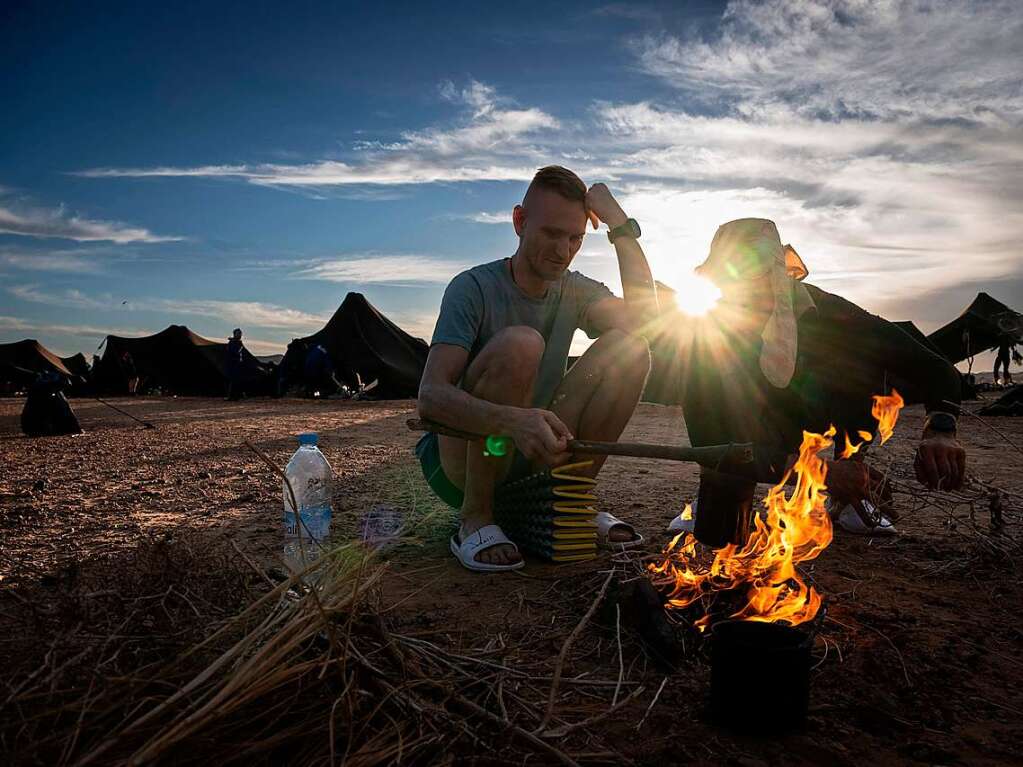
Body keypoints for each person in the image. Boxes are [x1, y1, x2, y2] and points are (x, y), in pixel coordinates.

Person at [417, 166, 662, 572]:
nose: (563, 250)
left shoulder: (576, 288)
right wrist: (512, 421)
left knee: (631, 348)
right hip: (469, 457)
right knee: (521, 344)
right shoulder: (473, 288)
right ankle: (476, 517)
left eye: (575, 238)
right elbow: (431, 398)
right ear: (519, 222)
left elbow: (647, 322)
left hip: (535, 447)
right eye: (551, 234)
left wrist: (620, 225)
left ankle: (569, 500)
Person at [671, 218, 967, 540]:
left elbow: (933, 366)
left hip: (816, 415)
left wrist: (941, 428)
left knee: (857, 363)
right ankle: (717, 494)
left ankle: (850, 496)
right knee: (722, 525)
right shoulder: (708, 332)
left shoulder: (826, 311)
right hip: (754, 435)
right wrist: (820, 472)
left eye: (756, 273)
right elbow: (709, 434)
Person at [226, 328, 245, 400]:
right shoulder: (232, 343)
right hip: (233, 363)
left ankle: (236, 395)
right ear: (235, 334)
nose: (240, 335)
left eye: (240, 333)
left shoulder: (238, 342)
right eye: (238, 333)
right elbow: (234, 352)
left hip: (238, 363)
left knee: (238, 380)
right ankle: (232, 396)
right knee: (233, 380)